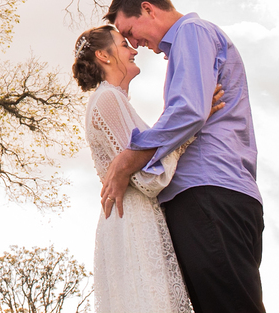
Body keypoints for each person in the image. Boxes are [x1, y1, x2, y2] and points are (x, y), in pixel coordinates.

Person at [100, 0, 265, 313]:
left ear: (148, 9)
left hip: (208, 192)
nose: (134, 44)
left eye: (130, 32)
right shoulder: (192, 42)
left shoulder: (192, 31)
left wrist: (128, 159)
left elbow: (189, 109)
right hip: (219, 192)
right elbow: (193, 109)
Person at [74, 24, 201, 313]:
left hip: (128, 217)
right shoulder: (109, 99)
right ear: (103, 55)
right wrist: (189, 131)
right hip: (132, 217)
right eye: (124, 44)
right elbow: (147, 179)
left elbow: (145, 157)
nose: (134, 50)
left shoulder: (111, 99)